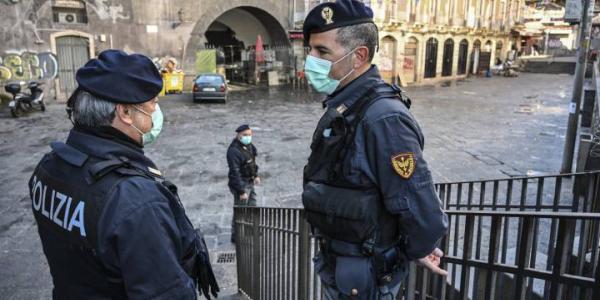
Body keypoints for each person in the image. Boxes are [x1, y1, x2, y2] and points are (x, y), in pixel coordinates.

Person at [28, 49, 219, 299]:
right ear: (125, 113)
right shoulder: (136, 200)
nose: (156, 112)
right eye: (153, 104)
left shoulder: (49, 167)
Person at [300, 1, 449, 299]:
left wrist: (418, 246)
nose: (310, 59)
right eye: (311, 50)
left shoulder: (383, 117)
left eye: (322, 52)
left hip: (365, 277)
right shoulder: (347, 102)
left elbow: (419, 204)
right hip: (342, 264)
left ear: (360, 56)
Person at [227, 124, 260, 243]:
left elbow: (252, 162)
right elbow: (235, 172)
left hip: (250, 181)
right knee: (240, 211)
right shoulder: (233, 151)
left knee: (252, 206)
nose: (248, 137)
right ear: (238, 135)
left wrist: (255, 175)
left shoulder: (249, 146)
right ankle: (236, 235)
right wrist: (241, 191)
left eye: (250, 135)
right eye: (245, 135)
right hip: (242, 184)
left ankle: (250, 229)